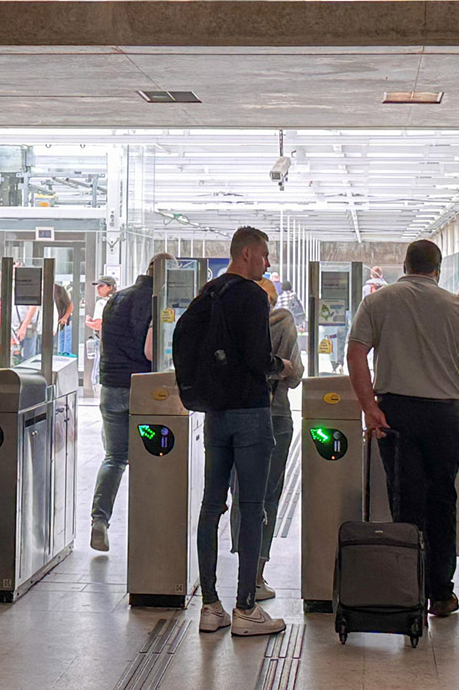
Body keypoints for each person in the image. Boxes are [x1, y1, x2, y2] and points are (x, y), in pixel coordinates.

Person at [346, 239, 459, 618]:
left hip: (396, 414)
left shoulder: (378, 301)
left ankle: (408, 591)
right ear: (437, 269)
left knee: (405, 502)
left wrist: (370, 408)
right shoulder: (456, 305)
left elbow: (355, 353)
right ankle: (441, 593)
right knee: (442, 501)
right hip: (445, 417)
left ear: (405, 265)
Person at [196, 227, 290, 638]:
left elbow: (189, 343)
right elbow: (256, 357)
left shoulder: (209, 292)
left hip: (216, 413)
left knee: (210, 505)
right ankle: (246, 608)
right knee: (252, 506)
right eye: (265, 256)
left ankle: (210, 606)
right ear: (248, 254)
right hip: (251, 412)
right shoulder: (251, 295)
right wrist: (279, 367)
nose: (267, 264)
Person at [89, 254, 174, 553]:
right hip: (143, 389)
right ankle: (150, 526)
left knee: (114, 458)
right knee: (152, 459)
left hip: (111, 386)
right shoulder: (157, 301)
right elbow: (153, 353)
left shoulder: (117, 297)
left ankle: (99, 521)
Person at [229, 277, 303, 602]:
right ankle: (256, 576)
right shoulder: (282, 319)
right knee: (268, 496)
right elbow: (296, 374)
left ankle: (244, 571)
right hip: (275, 415)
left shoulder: (229, 321)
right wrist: (279, 369)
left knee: (242, 494)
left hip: (237, 414)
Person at [85, 276, 117, 386]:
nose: (98, 289)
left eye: (101, 286)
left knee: (99, 369)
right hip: (117, 342)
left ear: (110, 287)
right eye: (97, 286)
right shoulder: (119, 300)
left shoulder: (101, 303)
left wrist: (88, 322)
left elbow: (98, 325)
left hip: (103, 340)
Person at [54, 281, 74, 354]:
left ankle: (65, 354)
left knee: (64, 338)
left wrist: (65, 317)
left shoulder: (59, 289)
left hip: (61, 320)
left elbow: (70, 305)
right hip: (49, 322)